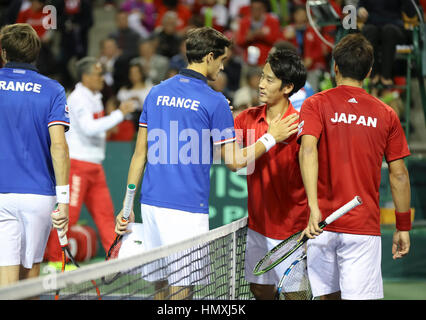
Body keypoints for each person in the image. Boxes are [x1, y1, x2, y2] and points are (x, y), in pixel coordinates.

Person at [114, 27, 299, 299]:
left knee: (161, 287)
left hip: (150, 205)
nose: (222, 66)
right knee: (180, 291)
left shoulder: (156, 92)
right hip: (186, 211)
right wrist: (272, 138)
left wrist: (127, 206)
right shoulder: (214, 102)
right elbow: (236, 162)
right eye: (221, 60)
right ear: (209, 57)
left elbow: (139, 154)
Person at [298, 33, 412, 300]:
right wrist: (403, 226)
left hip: (321, 224)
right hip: (362, 228)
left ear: (335, 66)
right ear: (370, 71)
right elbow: (399, 176)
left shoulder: (315, 104)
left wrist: (314, 209)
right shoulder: (386, 114)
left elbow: (307, 149)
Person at [0, 23, 70, 286]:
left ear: (3, 53)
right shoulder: (53, 89)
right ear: (35, 52)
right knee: (29, 280)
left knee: (6, 283)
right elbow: (59, 147)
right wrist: (64, 200)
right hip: (40, 198)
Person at [45, 57, 133, 268]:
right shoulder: (77, 98)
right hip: (77, 165)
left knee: (105, 216)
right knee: (70, 215)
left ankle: (114, 260)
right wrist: (120, 114)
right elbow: (89, 128)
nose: (102, 78)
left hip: (95, 165)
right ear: (85, 77)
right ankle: (56, 261)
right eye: (98, 74)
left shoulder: (95, 96)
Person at [234, 49, 308, 300]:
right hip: (258, 227)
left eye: (269, 79)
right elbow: (232, 161)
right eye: (261, 77)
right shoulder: (246, 119)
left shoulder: (302, 125)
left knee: (295, 295)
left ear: (287, 87)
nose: (261, 84)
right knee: (260, 291)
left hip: (293, 229)